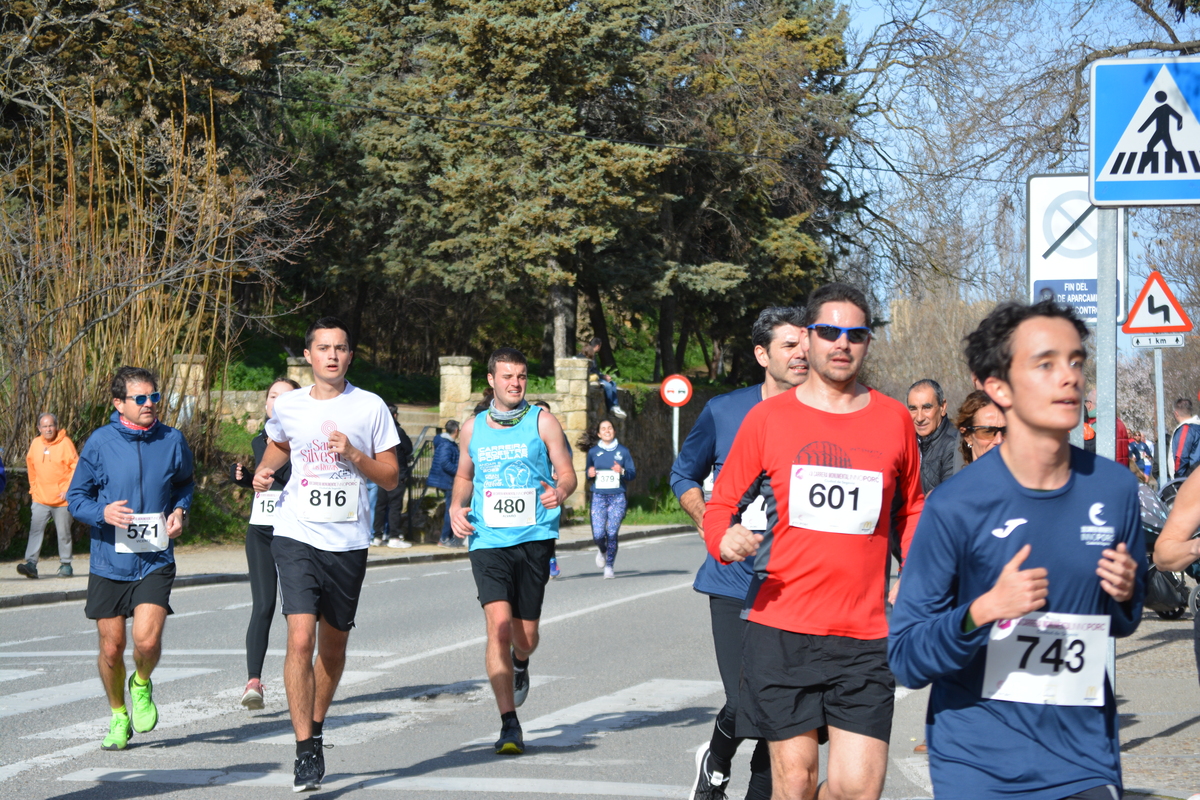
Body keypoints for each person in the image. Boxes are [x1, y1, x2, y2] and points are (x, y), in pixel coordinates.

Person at [890, 299, 1144, 800]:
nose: (1068, 377)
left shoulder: (1114, 490)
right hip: (979, 763)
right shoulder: (955, 506)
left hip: (1083, 759)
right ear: (997, 386)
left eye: (1075, 361)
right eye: (1045, 364)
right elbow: (905, 657)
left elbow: (1121, 622)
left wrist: (1124, 595)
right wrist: (982, 611)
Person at [706, 284, 924, 800]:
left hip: (865, 633)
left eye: (855, 334)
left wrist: (914, 578)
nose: (841, 343)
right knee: (796, 780)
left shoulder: (893, 418)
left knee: (857, 790)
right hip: (782, 628)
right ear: (808, 338)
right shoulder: (769, 418)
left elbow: (912, 508)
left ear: (868, 342)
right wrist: (725, 537)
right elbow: (720, 505)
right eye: (829, 332)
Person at [252, 317, 400, 792]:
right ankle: (303, 748)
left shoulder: (370, 407)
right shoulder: (290, 404)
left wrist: (355, 455)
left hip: (348, 543)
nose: (332, 355)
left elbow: (392, 477)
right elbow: (280, 443)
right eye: (323, 348)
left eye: (340, 348)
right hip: (295, 533)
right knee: (299, 640)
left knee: (332, 648)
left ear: (350, 356)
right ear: (309, 356)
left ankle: (315, 728)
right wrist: (264, 469)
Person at [671, 305, 808, 800]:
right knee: (747, 694)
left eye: (805, 343)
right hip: (733, 581)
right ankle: (717, 760)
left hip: (796, 585)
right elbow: (683, 474)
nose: (801, 353)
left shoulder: (826, 414)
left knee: (787, 708)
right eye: (789, 345)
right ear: (761, 353)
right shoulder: (725, 411)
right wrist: (714, 524)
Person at [449, 347, 576, 755]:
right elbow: (465, 474)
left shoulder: (543, 422)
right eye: (507, 376)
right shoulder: (472, 428)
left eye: (521, 376)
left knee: (526, 636)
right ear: (491, 380)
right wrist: (455, 506)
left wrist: (560, 490)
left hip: (534, 536)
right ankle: (509, 723)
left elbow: (567, 471)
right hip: (487, 539)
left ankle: (521, 662)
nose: (515, 383)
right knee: (498, 627)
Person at [67, 366, 195, 751]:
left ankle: (141, 683)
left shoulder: (172, 440)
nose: (149, 404)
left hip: (154, 557)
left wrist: (180, 512)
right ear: (119, 403)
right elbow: (76, 497)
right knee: (110, 647)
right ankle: (119, 714)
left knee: (147, 639)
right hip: (109, 560)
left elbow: (184, 483)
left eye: (154, 397)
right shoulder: (100, 442)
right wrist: (101, 513)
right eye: (140, 398)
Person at [229, 377, 300, 709]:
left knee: (299, 611)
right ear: (266, 404)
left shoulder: (305, 440)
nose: (277, 401)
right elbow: (269, 484)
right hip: (260, 530)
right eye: (272, 396)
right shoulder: (262, 440)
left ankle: (300, 677)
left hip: (297, 534)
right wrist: (243, 479)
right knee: (263, 606)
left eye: (285, 397)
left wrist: (266, 474)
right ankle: (253, 682)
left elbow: (287, 477)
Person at [20, 413, 79, 579]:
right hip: (40, 498)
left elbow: (76, 467)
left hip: (62, 500)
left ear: (56, 426)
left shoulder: (66, 443)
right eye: (44, 426)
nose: (48, 429)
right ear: (39, 428)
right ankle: (31, 564)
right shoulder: (36, 443)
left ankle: (66, 565)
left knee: (64, 533)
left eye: (51, 425)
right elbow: (31, 467)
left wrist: (69, 489)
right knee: (35, 531)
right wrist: (33, 489)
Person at [581, 420, 636, 579]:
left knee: (612, 533)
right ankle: (602, 550)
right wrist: (589, 474)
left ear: (614, 431)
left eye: (610, 428)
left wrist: (622, 471)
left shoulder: (623, 452)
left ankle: (610, 566)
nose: (607, 431)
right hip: (598, 496)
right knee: (598, 534)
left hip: (617, 497)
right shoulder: (593, 452)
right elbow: (588, 473)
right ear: (599, 434)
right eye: (603, 429)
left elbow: (632, 474)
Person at [372, 406, 414, 549]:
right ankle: (394, 536)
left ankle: (377, 536)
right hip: (397, 473)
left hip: (380, 472)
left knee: (381, 506)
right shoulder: (398, 431)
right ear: (395, 415)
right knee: (395, 506)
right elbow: (408, 448)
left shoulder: (379, 430)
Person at [907, 379, 957, 493]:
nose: (919, 418)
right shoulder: (906, 443)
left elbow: (950, 498)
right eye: (913, 409)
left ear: (943, 407)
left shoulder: (954, 444)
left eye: (927, 408)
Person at [429, 419, 461, 547]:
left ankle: (447, 537)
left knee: (451, 509)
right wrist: (460, 473)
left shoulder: (445, 443)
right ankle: (444, 538)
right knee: (451, 510)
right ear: (456, 431)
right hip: (447, 481)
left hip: (446, 480)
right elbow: (445, 463)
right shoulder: (447, 444)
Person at [580, 337, 626, 419]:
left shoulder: (593, 355)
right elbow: (590, 371)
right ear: (598, 346)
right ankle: (611, 407)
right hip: (591, 378)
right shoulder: (588, 355)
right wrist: (602, 376)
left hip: (596, 376)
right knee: (607, 386)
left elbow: (595, 370)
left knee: (613, 383)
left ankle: (615, 406)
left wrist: (603, 376)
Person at [1170, 398, 1200, 480]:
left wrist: (1179, 477)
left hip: (1190, 478)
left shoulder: (1186, 429)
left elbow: (1181, 456)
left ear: (1176, 413)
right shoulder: (1197, 427)